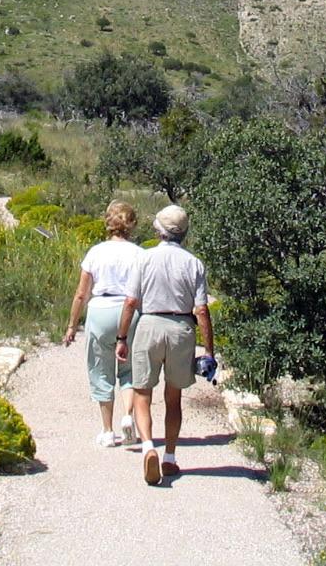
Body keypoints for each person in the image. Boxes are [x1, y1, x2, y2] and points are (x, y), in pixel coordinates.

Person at [116, 204, 215, 485]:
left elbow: (131, 301)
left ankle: (148, 447)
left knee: (142, 392)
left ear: (158, 230)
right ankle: (170, 458)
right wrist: (208, 351)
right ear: (184, 232)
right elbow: (202, 310)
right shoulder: (194, 263)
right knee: (173, 398)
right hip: (181, 329)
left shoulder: (145, 259)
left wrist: (122, 337)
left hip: (149, 325)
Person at [62, 200, 145, 446]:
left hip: (100, 311)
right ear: (131, 224)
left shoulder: (96, 253)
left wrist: (71, 325)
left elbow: (81, 294)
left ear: (108, 223)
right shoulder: (140, 254)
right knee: (130, 370)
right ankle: (128, 416)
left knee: (100, 370)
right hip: (129, 313)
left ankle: (107, 430)